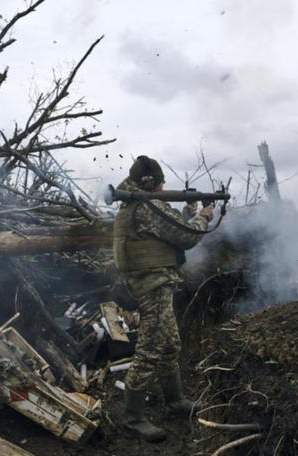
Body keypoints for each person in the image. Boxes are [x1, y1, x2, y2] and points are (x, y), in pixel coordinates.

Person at [113, 155, 213, 442]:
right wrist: (204, 217)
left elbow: (164, 232)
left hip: (151, 283)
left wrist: (187, 213)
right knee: (151, 349)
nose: (162, 187)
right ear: (151, 183)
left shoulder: (134, 204)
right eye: (160, 183)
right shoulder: (147, 206)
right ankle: (133, 418)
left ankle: (175, 401)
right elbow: (186, 236)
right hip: (152, 286)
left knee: (169, 343)